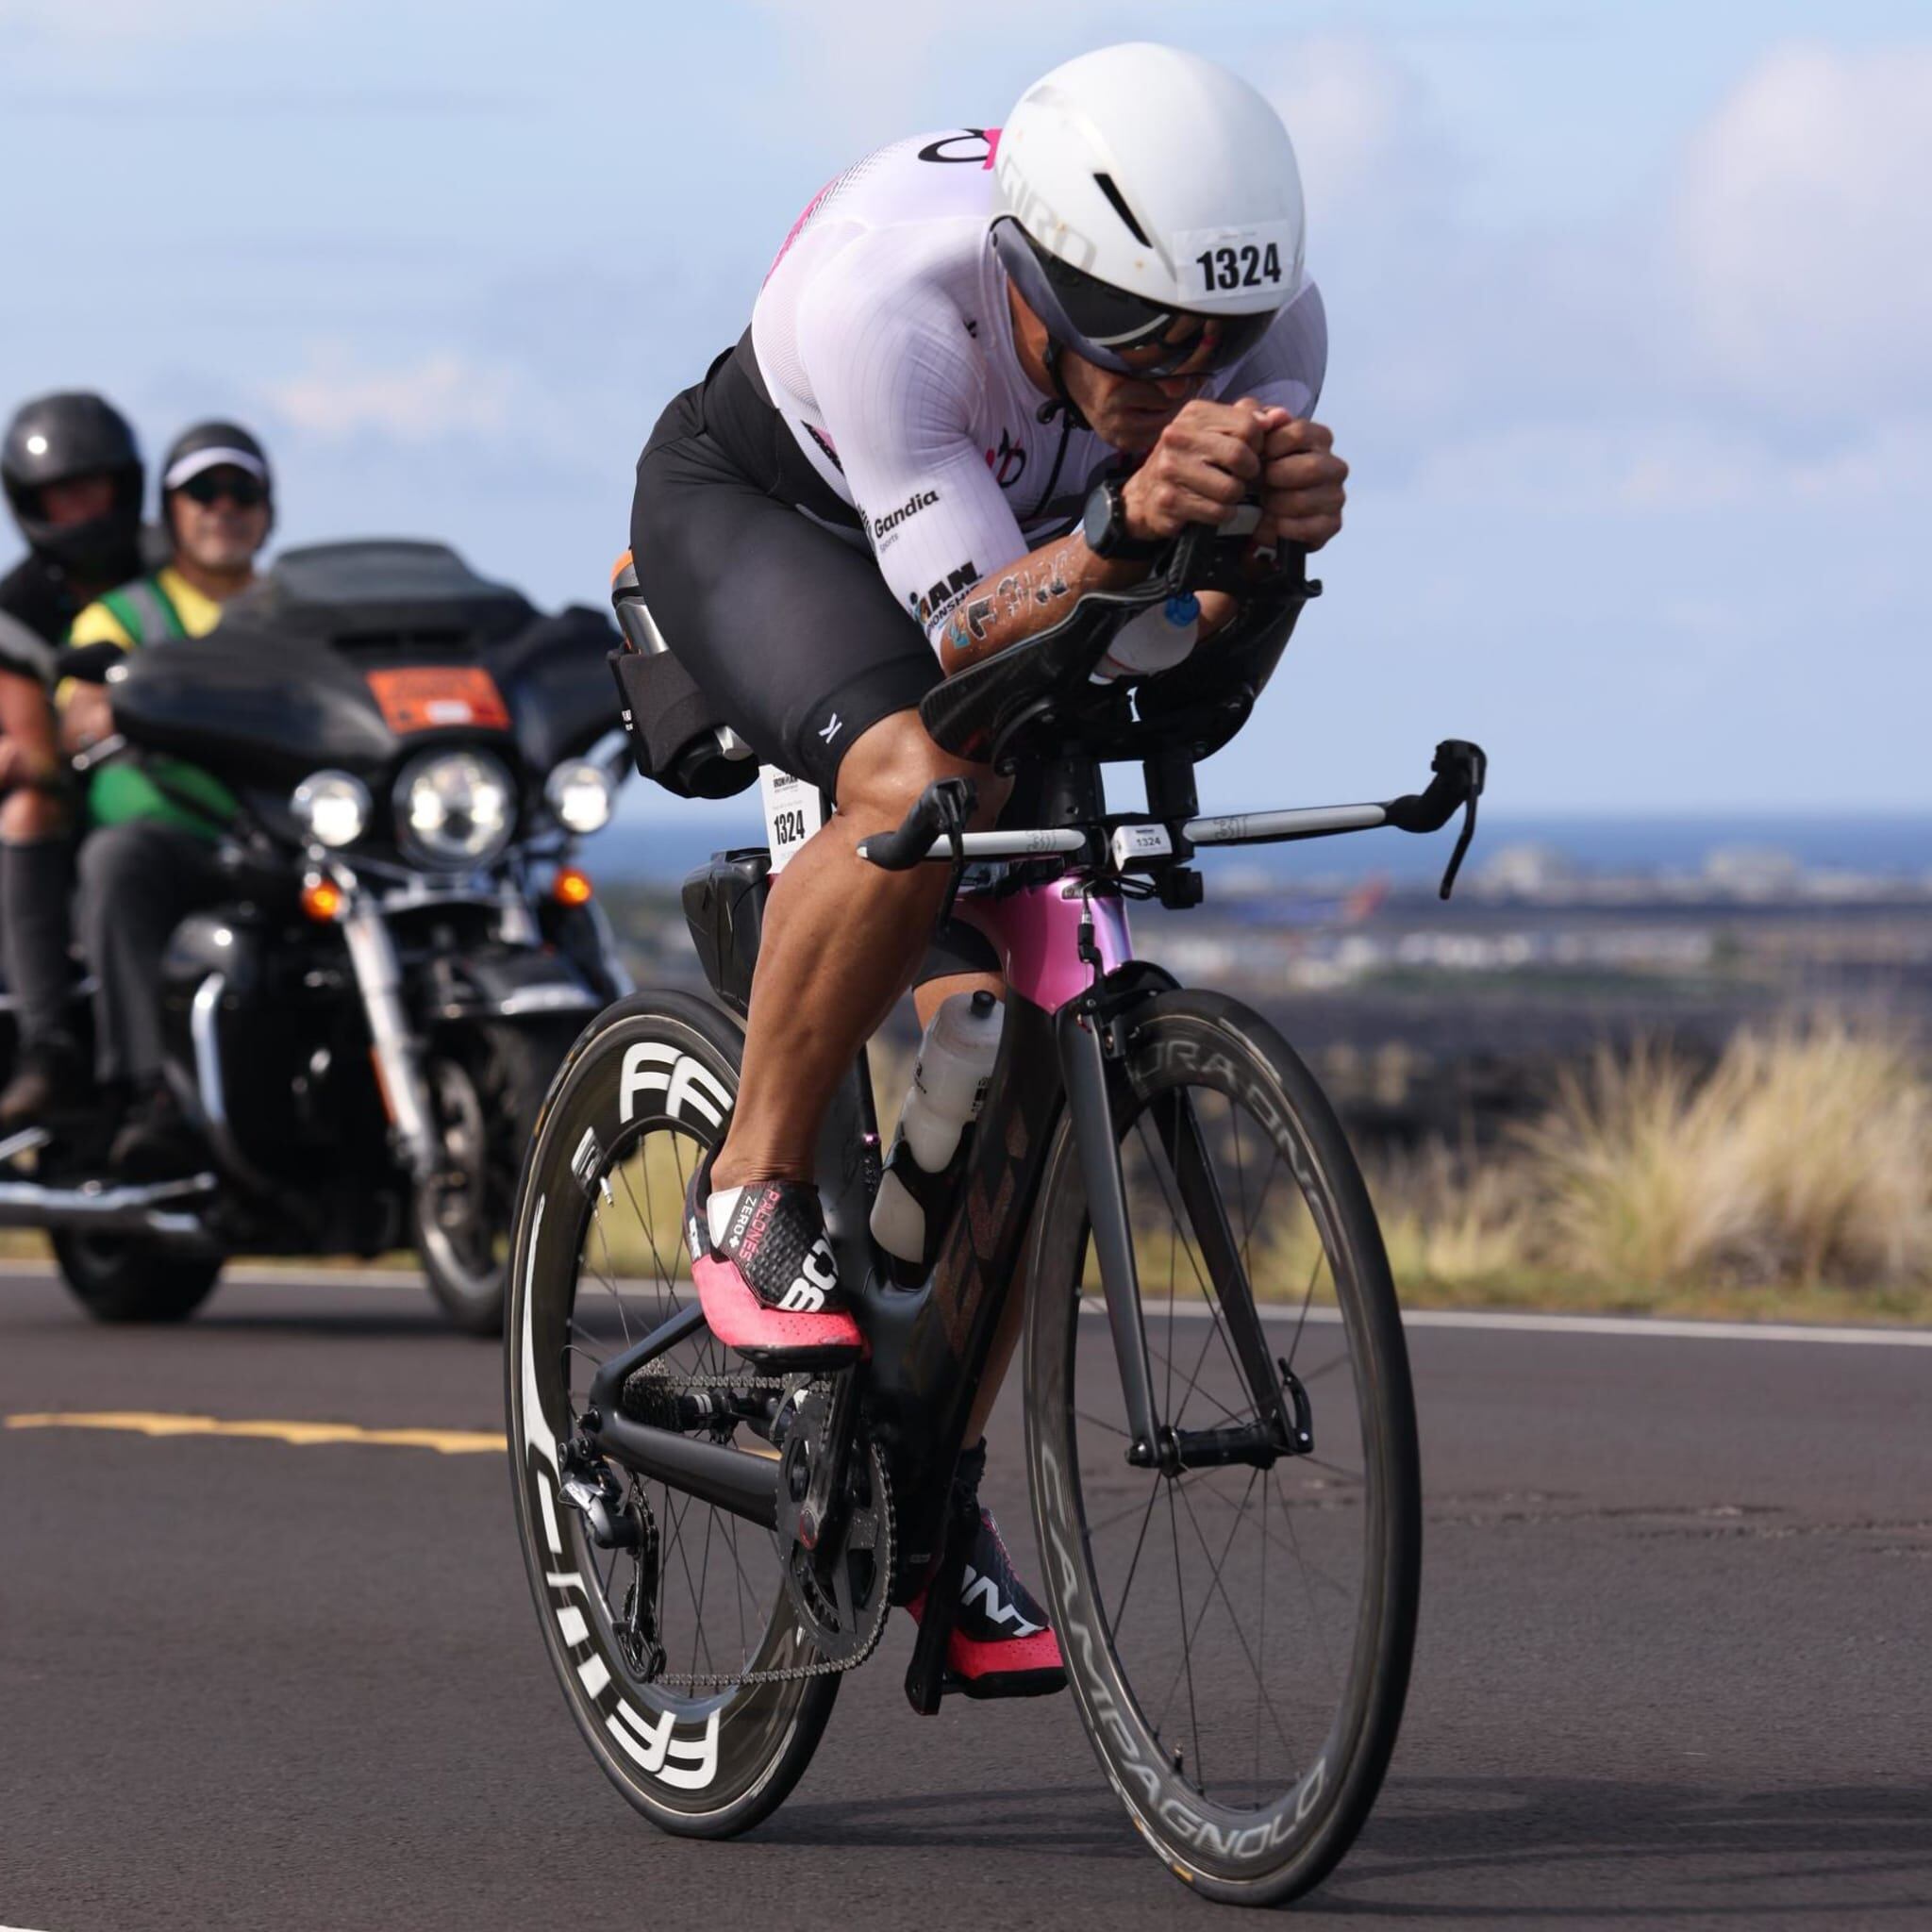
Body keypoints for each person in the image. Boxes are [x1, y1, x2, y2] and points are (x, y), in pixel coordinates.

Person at [631, 43, 1347, 1694]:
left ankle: (926, 1493)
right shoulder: (895, 299)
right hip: (777, 525)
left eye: (1221, 343)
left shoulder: (1271, 328)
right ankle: (744, 1190)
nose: (1188, 374)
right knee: (924, 770)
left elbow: (1169, 651)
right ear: (1029, 274)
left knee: (1007, 1019)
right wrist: (1117, 534)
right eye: (1142, 340)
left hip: (1008, 557)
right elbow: (958, 640)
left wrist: (1258, 559)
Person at [62, 420, 275, 1175]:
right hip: (176, 835)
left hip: (285, 838)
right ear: (171, 511)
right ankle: (148, 1094)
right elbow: (79, 711)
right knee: (118, 862)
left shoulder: (300, 611)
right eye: (202, 492)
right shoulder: (122, 616)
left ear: (267, 509)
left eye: (240, 490)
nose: (223, 507)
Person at [0, 391, 147, 1127]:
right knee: (29, 796)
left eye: (95, 486)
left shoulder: (171, 571)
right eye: (63, 494)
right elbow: (28, 746)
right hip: (76, 800)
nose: (84, 508)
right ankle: (47, 1043)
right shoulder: (16, 608)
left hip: (179, 788)